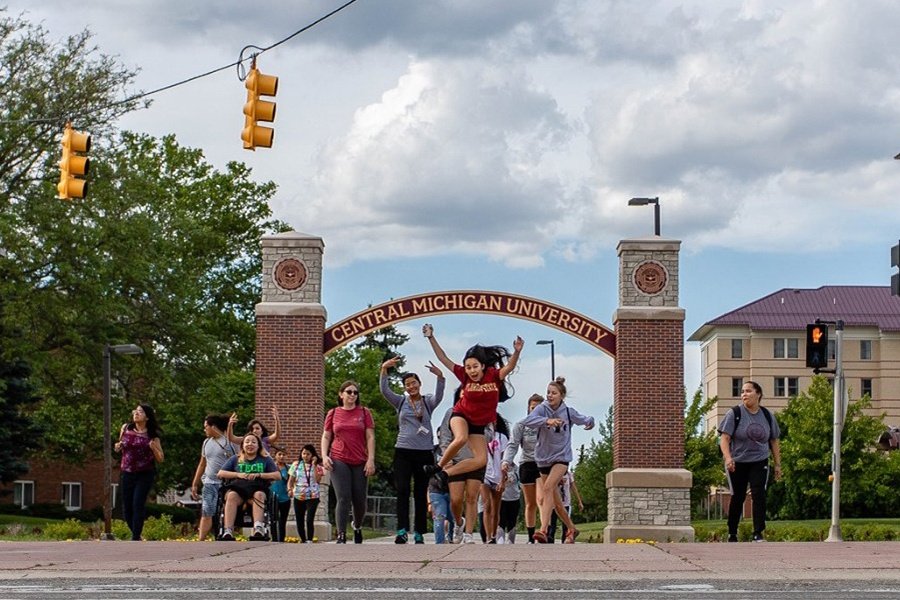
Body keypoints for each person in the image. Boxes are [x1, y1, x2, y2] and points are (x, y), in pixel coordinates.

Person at [423, 323, 523, 484]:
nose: (472, 371)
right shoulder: (464, 375)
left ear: (483, 366)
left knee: (481, 460)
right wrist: (431, 337)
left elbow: (510, 366)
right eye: (468, 367)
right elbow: (443, 358)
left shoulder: (494, 375)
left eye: (475, 367)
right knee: (461, 438)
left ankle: (445, 474)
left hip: (478, 424)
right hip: (460, 415)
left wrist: (517, 351)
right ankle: (438, 466)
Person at [379, 356, 445, 544]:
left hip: (424, 453)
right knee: (402, 489)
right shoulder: (400, 402)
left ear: (419, 384)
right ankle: (401, 531)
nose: (411, 387)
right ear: (405, 387)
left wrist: (440, 377)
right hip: (403, 452)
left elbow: (439, 396)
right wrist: (384, 369)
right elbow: (385, 391)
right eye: (408, 384)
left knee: (420, 492)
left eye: (414, 383)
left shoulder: (428, 402)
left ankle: (419, 532)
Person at [522, 377, 594, 544]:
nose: (550, 395)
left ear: (562, 395)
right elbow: (528, 421)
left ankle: (543, 530)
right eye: (548, 392)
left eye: (554, 393)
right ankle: (572, 529)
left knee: (547, 488)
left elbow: (585, 419)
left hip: (561, 457)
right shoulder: (542, 409)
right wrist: (546, 420)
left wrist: (591, 422)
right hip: (543, 458)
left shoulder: (568, 412)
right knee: (556, 502)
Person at [719, 380, 782, 542]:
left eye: (748, 391)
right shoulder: (734, 414)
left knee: (758, 494)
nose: (744, 395)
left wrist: (777, 465)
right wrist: (728, 458)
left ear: (758, 394)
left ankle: (758, 532)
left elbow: (774, 440)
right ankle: (732, 532)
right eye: (742, 392)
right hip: (737, 461)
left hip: (759, 460)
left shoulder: (767, 416)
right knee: (738, 496)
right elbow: (724, 438)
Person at [321, 380, 375, 544]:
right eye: (349, 392)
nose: (352, 395)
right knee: (343, 497)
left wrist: (371, 459)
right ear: (341, 394)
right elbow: (326, 436)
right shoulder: (333, 413)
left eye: (355, 392)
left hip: (359, 459)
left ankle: (357, 526)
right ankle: (341, 534)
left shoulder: (364, 413)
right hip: (339, 458)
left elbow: (370, 436)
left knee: (359, 500)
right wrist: (324, 456)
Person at [438, 386, 482, 544]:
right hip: (456, 461)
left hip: (475, 460)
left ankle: (469, 534)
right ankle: (459, 523)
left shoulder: (480, 413)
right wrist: (446, 456)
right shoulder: (452, 413)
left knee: (471, 498)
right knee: (456, 500)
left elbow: (489, 433)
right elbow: (444, 436)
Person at [216, 433, 281, 541]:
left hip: (257, 489)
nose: (250, 444)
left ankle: (258, 528)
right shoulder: (235, 459)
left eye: (253, 442)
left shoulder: (265, 459)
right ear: (242, 445)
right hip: (239, 490)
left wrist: (259, 475)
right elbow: (220, 473)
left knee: (259, 495)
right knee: (231, 495)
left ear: (258, 446)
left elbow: (277, 475)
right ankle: (228, 530)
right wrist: (238, 474)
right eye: (247, 442)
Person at [115, 404, 164, 541]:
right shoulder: (126, 428)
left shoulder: (152, 435)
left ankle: (135, 536)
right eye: (135, 411)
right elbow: (120, 445)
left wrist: (154, 449)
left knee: (138, 503)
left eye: (140, 411)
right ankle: (136, 533)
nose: (136, 413)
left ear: (147, 417)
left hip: (144, 473)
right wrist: (117, 447)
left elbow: (161, 458)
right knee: (127, 506)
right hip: (127, 472)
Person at [190, 414, 238, 541]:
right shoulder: (206, 442)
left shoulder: (230, 442)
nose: (204, 429)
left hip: (227, 483)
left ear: (213, 427)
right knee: (207, 510)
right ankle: (201, 539)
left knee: (225, 509)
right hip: (209, 482)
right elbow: (202, 463)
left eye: (206, 426)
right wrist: (195, 483)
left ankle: (227, 532)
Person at [502, 393, 542, 543]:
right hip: (527, 464)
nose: (535, 411)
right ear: (528, 408)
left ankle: (545, 531)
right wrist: (506, 461)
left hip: (543, 464)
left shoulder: (546, 425)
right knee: (530, 502)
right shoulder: (521, 425)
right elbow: (513, 445)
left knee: (542, 499)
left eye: (539, 408)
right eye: (533, 408)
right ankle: (531, 536)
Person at [287, 444, 324, 544]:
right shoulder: (296, 465)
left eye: (308, 454)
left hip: (312, 496)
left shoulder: (318, 467)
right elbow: (291, 480)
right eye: (303, 453)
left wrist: (315, 464)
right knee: (299, 520)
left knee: (309, 519)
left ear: (312, 455)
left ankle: (309, 539)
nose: (305, 456)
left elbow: (317, 480)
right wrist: (290, 489)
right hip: (299, 495)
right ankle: (303, 539)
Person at [481, 417, 509, 543]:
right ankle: (488, 537)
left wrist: (503, 479)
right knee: (486, 505)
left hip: (498, 475)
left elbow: (505, 460)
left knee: (496, 509)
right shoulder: (480, 436)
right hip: (484, 474)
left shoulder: (502, 438)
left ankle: (493, 534)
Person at [270, 447, 291, 542]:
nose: (282, 457)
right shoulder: (271, 467)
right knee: (273, 520)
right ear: (275, 456)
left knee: (283, 520)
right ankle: (274, 538)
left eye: (284, 455)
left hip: (285, 498)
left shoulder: (289, 469)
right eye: (279, 454)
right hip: (273, 497)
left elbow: (292, 481)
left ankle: (281, 539)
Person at [497, 463, 521, 544]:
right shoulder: (499, 466)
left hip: (514, 498)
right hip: (502, 498)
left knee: (512, 521)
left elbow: (520, 481)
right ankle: (500, 538)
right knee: (501, 520)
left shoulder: (516, 468)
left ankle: (511, 539)